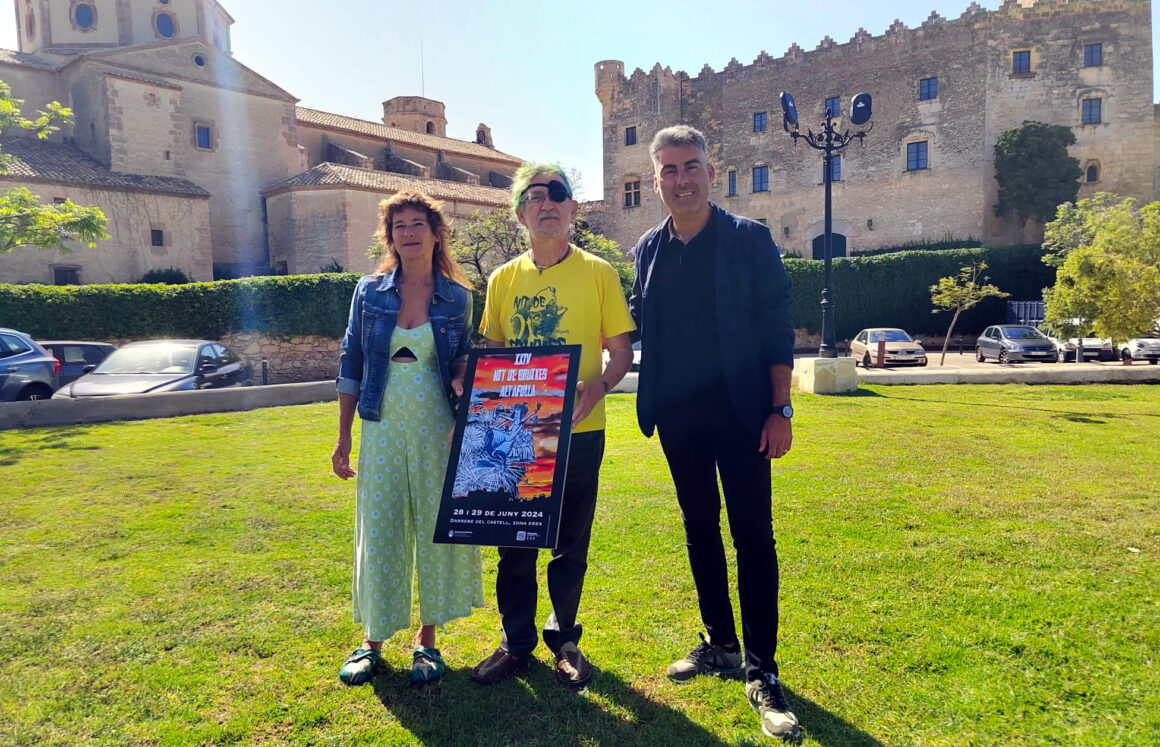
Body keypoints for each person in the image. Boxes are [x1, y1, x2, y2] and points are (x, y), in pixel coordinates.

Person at [628, 125, 800, 741]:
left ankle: (762, 670)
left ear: (711, 168)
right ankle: (720, 644)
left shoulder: (748, 240)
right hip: (679, 415)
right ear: (656, 180)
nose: (682, 178)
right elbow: (636, 326)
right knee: (699, 530)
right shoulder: (648, 248)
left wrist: (780, 410)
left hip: (744, 413)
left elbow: (778, 325)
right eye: (669, 169)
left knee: (753, 535)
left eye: (691, 165)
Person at [470, 163, 635, 688]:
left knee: (570, 543)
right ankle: (515, 642)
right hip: (517, 433)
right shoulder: (502, 279)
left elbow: (621, 351)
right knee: (512, 543)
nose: (547, 204)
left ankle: (564, 639)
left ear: (573, 209)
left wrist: (600, 386)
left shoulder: (599, 273)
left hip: (582, 432)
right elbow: (493, 352)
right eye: (535, 196)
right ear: (520, 212)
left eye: (557, 194)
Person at [331, 191, 483, 686]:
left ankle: (428, 642)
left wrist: (463, 377)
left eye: (418, 223)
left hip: (437, 429)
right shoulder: (368, 292)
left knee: (435, 532)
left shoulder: (458, 297)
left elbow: (461, 356)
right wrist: (343, 438)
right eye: (399, 225)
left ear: (436, 232)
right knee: (380, 532)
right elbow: (351, 362)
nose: (409, 232)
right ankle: (371, 640)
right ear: (389, 235)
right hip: (380, 427)